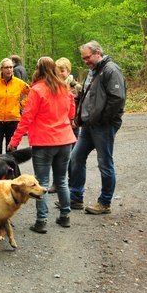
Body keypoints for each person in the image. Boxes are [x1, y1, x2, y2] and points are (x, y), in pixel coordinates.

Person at [7, 57, 76, 233]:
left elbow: (27, 117)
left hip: (44, 142)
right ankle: (65, 217)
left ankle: (41, 221)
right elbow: (71, 113)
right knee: (61, 181)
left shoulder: (37, 90)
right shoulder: (64, 87)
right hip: (65, 140)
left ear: (38, 69)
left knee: (42, 182)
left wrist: (14, 141)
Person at [68, 40, 126, 215]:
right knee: (76, 158)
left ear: (98, 52)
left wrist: (101, 119)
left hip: (103, 126)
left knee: (104, 163)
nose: (85, 61)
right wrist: (79, 117)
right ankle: (76, 197)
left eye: (87, 57)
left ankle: (105, 202)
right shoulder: (93, 72)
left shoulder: (111, 70)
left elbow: (117, 99)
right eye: (83, 58)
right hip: (88, 125)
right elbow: (85, 96)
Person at [47, 57, 83, 194]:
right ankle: (57, 183)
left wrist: (76, 121)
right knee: (56, 157)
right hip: (57, 126)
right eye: (57, 71)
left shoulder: (77, 87)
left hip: (71, 126)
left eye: (62, 71)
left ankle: (70, 183)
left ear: (68, 71)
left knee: (72, 157)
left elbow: (82, 106)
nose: (60, 74)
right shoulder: (53, 86)